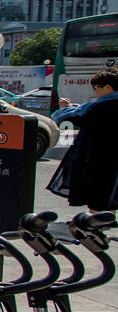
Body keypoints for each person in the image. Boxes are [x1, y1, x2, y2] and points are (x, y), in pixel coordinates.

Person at [49, 69, 118, 210]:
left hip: (97, 156)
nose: (94, 91)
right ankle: (110, 218)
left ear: (108, 87)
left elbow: (62, 118)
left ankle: (94, 222)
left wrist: (64, 108)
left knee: (96, 190)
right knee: (113, 189)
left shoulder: (97, 106)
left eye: (96, 88)